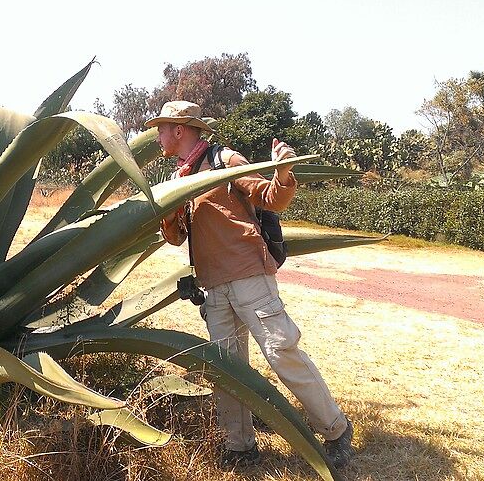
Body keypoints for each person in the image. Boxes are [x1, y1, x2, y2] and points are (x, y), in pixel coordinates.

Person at [146, 101, 354, 469]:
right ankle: (239, 446)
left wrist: (284, 171)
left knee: (281, 352)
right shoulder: (180, 179)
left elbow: (273, 198)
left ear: (180, 129)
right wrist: (167, 213)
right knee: (228, 369)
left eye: (163, 127)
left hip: (249, 278)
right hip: (212, 287)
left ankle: (336, 430)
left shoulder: (225, 161)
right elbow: (177, 238)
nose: (158, 134)